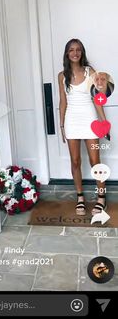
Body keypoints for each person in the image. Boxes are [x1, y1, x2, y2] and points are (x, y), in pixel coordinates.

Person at [58, 39, 107, 216]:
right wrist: (62, 126)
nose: (75, 53)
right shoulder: (61, 76)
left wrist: (103, 122)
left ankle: (101, 197)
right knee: (75, 161)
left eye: (78, 49)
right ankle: (80, 197)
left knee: (95, 160)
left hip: (90, 120)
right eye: (71, 50)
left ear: (82, 52)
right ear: (67, 53)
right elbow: (62, 102)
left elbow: (97, 99)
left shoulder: (90, 72)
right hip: (72, 120)